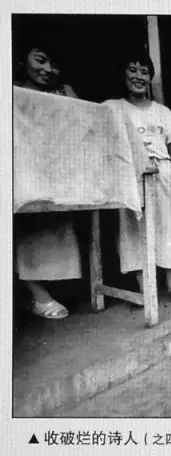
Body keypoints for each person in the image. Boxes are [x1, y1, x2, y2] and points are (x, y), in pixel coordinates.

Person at [104, 52, 171, 302]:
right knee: (133, 228)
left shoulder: (163, 112)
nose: (138, 76)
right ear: (123, 74)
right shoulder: (113, 108)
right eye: (133, 70)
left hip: (162, 174)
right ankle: (144, 288)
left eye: (144, 72)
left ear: (150, 78)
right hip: (130, 176)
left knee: (169, 226)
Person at [14, 39, 80, 319]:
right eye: (40, 60)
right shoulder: (13, 91)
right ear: (21, 61)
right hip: (25, 173)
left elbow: (81, 123)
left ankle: (44, 293)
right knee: (29, 231)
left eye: (53, 64)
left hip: (57, 173)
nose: (48, 69)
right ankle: (36, 293)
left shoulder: (62, 92)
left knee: (58, 230)